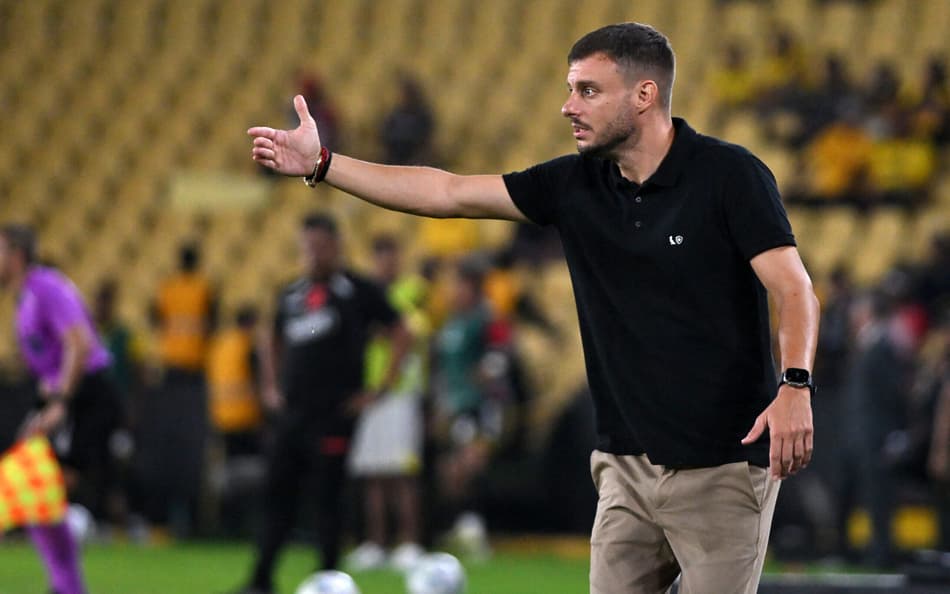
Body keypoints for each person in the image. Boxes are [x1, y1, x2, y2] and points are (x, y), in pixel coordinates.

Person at [248, 22, 819, 593]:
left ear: (644, 95)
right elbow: (448, 193)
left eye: (588, 90)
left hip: (722, 467)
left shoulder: (729, 175)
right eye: (570, 89)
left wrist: (795, 385)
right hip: (624, 467)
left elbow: (794, 290)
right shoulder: (575, 185)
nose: (568, 106)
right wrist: (325, 163)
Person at [234, 214, 411, 594]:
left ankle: (329, 581)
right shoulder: (292, 293)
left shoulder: (358, 291)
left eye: (319, 246)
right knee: (277, 494)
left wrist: (379, 389)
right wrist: (270, 386)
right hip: (293, 413)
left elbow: (401, 331)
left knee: (328, 499)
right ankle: (261, 579)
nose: (312, 255)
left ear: (336, 247)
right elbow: (271, 337)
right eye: (306, 247)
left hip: (335, 415)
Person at [0, 224, 121, 594]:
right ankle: (66, 578)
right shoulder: (26, 298)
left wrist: (59, 404)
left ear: (16, 255)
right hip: (68, 398)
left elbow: (79, 343)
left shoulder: (45, 286)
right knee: (36, 490)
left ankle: (75, 537)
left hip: (87, 398)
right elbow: (49, 358)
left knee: (41, 489)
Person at [347, 235, 429, 571]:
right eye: (380, 256)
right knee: (373, 473)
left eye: (391, 256)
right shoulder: (365, 295)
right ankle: (376, 544)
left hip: (399, 392)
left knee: (401, 473)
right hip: (370, 392)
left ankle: (408, 543)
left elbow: (412, 332)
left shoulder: (411, 291)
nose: (386, 263)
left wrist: (381, 330)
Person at [142, 241, 216, 537]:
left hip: (170, 371)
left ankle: (163, 518)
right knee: (191, 448)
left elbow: (154, 318)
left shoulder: (167, 288)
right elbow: (211, 322)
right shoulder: (204, 288)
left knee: (167, 446)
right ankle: (188, 521)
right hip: (195, 372)